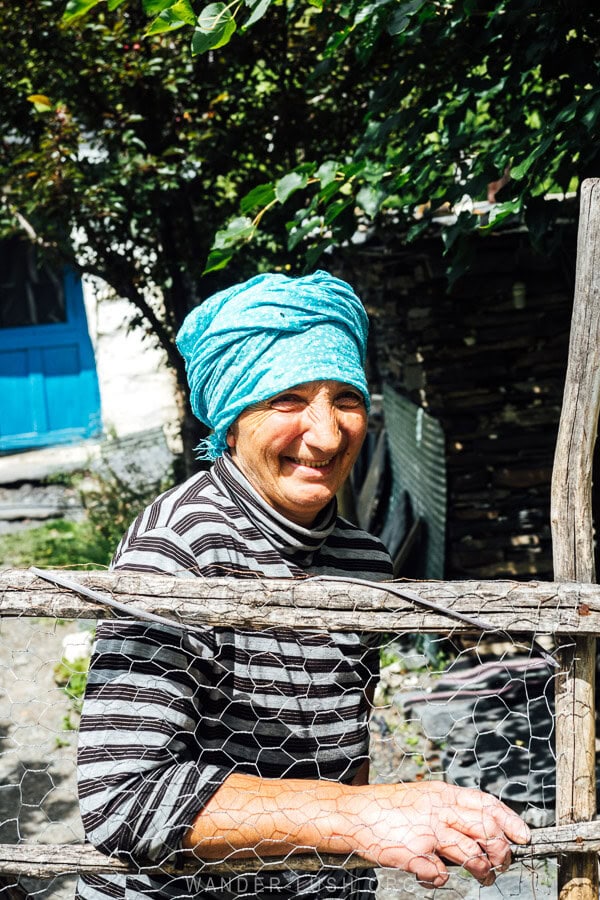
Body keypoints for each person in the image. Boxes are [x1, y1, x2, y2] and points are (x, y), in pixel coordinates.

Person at [76, 271, 530, 900]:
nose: (327, 432)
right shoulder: (178, 549)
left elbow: (342, 752)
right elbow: (123, 799)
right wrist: (365, 814)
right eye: (287, 398)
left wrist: (366, 840)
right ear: (233, 418)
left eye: (345, 398)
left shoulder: (361, 559)